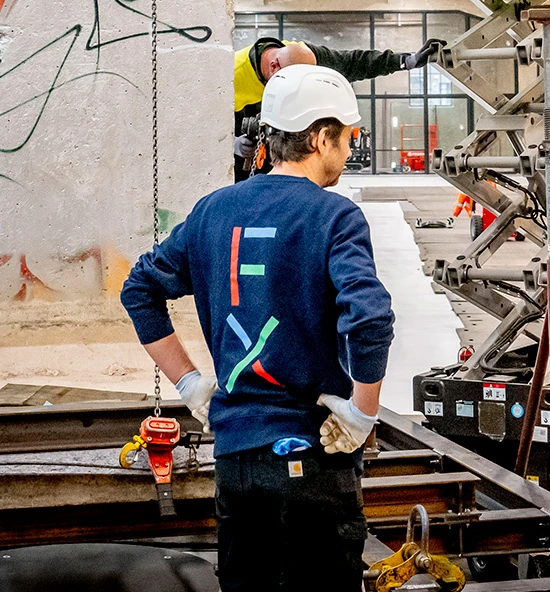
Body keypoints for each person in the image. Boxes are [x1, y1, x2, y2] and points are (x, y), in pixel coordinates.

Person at [121, 64, 395, 592]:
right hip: (316, 457)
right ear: (320, 138)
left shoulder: (213, 211)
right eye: (346, 137)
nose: (348, 150)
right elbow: (370, 317)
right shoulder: (335, 217)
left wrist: (189, 384)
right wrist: (361, 413)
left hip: (238, 461)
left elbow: (139, 291)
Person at [234, 32, 445, 180]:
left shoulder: (302, 55)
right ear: (273, 67)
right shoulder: (231, 75)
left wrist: (405, 61)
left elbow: (352, 62)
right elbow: (212, 127)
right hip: (242, 159)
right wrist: (233, 144)